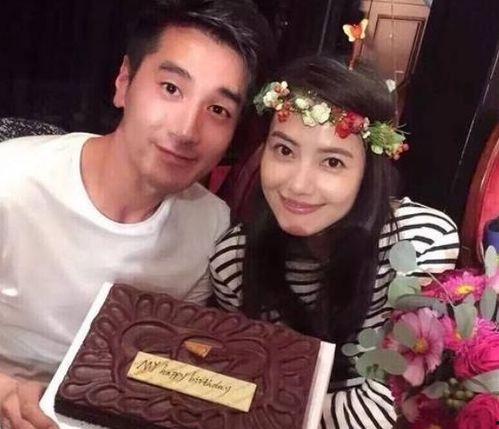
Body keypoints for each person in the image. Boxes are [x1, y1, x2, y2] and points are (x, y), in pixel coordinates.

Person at [0, 0, 274, 427]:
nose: (186, 130)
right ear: (124, 82)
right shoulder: (11, 180)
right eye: (171, 89)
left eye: (218, 110)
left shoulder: (210, 228)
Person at [210, 56, 460, 429]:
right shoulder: (234, 261)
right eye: (284, 150)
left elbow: (395, 399)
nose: (298, 185)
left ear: (368, 172)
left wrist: (274, 412)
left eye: (332, 162)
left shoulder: (420, 241)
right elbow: (239, 385)